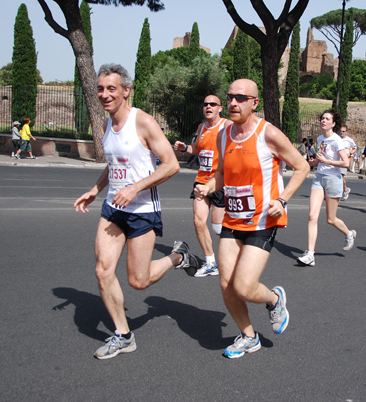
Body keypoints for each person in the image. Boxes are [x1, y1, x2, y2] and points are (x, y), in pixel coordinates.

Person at [73, 64, 198, 359]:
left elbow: (171, 164)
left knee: (138, 281)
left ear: (126, 91)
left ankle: (178, 256)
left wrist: (136, 187)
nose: (105, 94)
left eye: (111, 88)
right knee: (103, 270)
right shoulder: (107, 125)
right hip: (113, 208)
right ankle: (123, 335)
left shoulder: (142, 122)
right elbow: (115, 164)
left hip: (142, 210)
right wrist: (96, 189)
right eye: (101, 89)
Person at [194, 79, 309, 358]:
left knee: (243, 286)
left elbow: (302, 166)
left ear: (254, 102)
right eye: (230, 96)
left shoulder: (267, 133)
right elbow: (221, 172)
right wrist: (210, 186)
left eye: (241, 98)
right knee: (225, 283)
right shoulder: (224, 134)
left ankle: (274, 298)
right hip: (233, 219)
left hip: (261, 222)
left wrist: (282, 201)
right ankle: (248, 336)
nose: (233, 102)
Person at [173, 96, 231, 278]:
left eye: (212, 104)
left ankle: (232, 258)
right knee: (198, 221)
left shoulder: (227, 125)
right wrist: (184, 148)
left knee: (218, 228)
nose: (208, 106)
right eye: (205, 104)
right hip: (201, 180)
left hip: (219, 181)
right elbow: (197, 148)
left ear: (220, 108)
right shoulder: (202, 127)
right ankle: (211, 262)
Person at [297, 110, 357, 267]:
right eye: (322, 118)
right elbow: (321, 158)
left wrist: (326, 161)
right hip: (319, 178)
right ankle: (310, 254)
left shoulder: (337, 141)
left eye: (327, 119)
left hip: (333, 180)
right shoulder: (320, 138)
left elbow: (346, 163)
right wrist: (314, 163)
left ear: (333, 123)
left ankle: (349, 233)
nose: (323, 120)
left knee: (331, 219)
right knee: (312, 216)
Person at [339, 125, 357, 201]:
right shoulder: (337, 139)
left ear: (346, 132)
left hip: (345, 160)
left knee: (340, 176)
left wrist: (350, 153)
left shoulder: (349, 140)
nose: (341, 133)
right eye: (340, 131)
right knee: (337, 177)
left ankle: (341, 192)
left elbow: (355, 148)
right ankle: (345, 189)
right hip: (337, 160)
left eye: (343, 131)